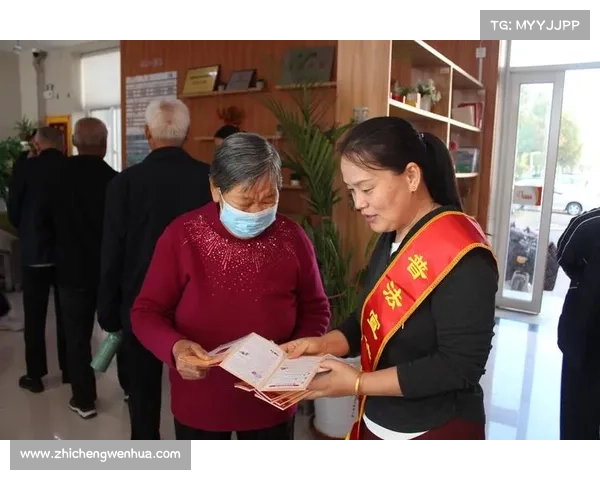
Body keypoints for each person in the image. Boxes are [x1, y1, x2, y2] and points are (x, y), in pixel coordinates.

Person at [282, 116, 498, 440]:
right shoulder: (392, 234)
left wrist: (357, 382)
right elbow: (369, 318)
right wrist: (323, 344)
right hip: (379, 417)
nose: (358, 203)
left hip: (436, 427)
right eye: (352, 191)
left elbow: (458, 367)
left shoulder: (465, 256)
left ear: (411, 176)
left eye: (367, 188)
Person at [130, 132, 330, 440]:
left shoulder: (292, 238)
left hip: (272, 398)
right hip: (201, 400)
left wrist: (300, 350)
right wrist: (175, 348)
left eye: (268, 200)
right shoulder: (183, 236)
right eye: (245, 202)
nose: (256, 212)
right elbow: (146, 312)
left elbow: (316, 307)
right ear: (216, 189)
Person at [97, 98, 212, 439]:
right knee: (197, 394)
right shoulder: (211, 179)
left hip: (140, 304)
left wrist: (108, 312)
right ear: (187, 133)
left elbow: (112, 252)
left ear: (147, 133)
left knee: (142, 395)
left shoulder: (124, 183)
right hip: (198, 304)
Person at [52, 118, 117, 419]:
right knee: (118, 330)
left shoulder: (57, 177)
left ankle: (84, 399)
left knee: (77, 336)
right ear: (104, 144)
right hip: (109, 271)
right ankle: (130, 389)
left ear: (75, 143)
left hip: (71, 269)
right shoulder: (115, 180)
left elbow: (45, 220)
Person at [7, 126, 69, 393]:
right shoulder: (70, 168)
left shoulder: (25, 169)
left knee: (34, 317)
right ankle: (70, 370)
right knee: (67, 315)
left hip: (34, 251)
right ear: (62, 145)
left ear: (37, 145)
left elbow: (14, 211)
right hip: (66, 253)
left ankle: (35, 376)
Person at [556, 207, 600, 439]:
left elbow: (565, 254)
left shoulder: (590, 224)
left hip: (584, 339)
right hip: (584, 339)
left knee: (578, 423)